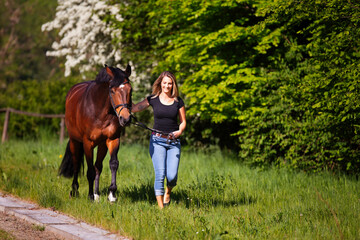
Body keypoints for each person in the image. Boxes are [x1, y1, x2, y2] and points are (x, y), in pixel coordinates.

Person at [132, 71, 186, 208]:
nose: (167, 86)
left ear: (173, 85)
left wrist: (179, 131)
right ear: (160, 83)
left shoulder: (178, 102)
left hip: (173, 142)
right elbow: (135, 108)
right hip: (157, 141)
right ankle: (161, 209)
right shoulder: (153, 99)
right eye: (164, 83)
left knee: (172, 177)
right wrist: (124, 103)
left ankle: (168, 192)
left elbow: (183, 121)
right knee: (160, 174)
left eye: (169, 83)